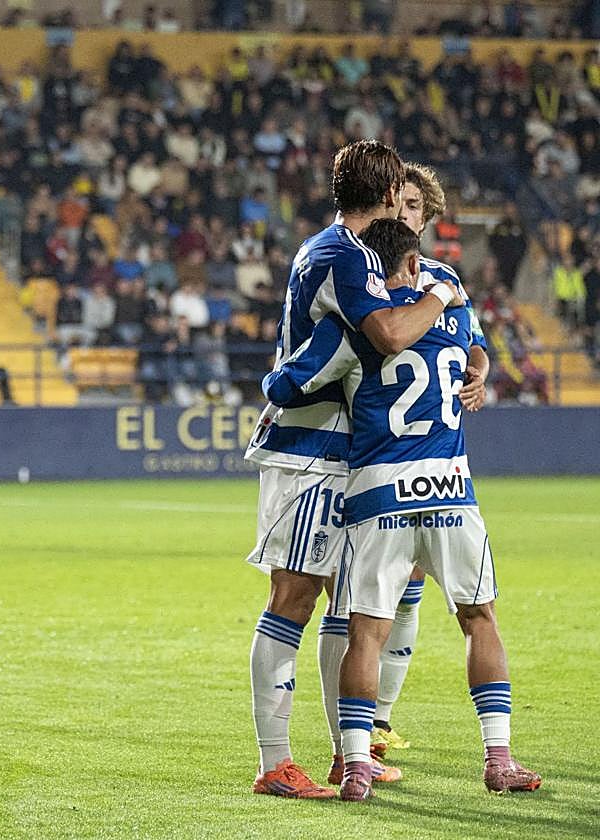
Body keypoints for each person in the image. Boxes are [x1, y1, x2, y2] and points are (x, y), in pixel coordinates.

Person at [263, 218, 541, 800]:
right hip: (451, 490)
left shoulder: (353, 329)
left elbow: (283, 388)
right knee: (478, 618)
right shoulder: (453, 309)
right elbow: (474, 355)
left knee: (365, 631)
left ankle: (358, 764)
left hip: (378, 493)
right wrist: (478, 372)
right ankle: (499, 758)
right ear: (415, 262)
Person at [242, 140, 464, 799]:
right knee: (295, 595)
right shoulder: (341, 253)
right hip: (311, 451)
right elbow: (389, 335)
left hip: (353, 452)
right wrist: (445, 294)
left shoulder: (357, 253)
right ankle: (274, 761)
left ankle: (350, 754)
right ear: (393, 190)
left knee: (351, 600)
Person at [340, 163, 494, 758]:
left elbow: (473, 344)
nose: (399, 213)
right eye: (393, 203)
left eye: (410, 206)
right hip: (364, 454)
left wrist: (478, 376)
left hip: (417, 462)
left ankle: (372, 723)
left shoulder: (443, 279)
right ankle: (352, 732)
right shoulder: (366, 274)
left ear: (425, 218)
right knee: (360, 604)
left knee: (405, 591)